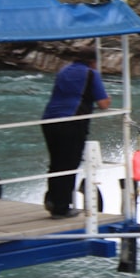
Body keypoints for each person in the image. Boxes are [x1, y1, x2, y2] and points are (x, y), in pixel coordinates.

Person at [41, 46, 110, 218]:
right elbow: (103, 103)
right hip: (72, 121)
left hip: (49, 119)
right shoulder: (91, 74)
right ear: (93, 61)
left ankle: (52, 199)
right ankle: (61, 207)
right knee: (69, 164)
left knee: (56, 163)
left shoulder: (64, 71)